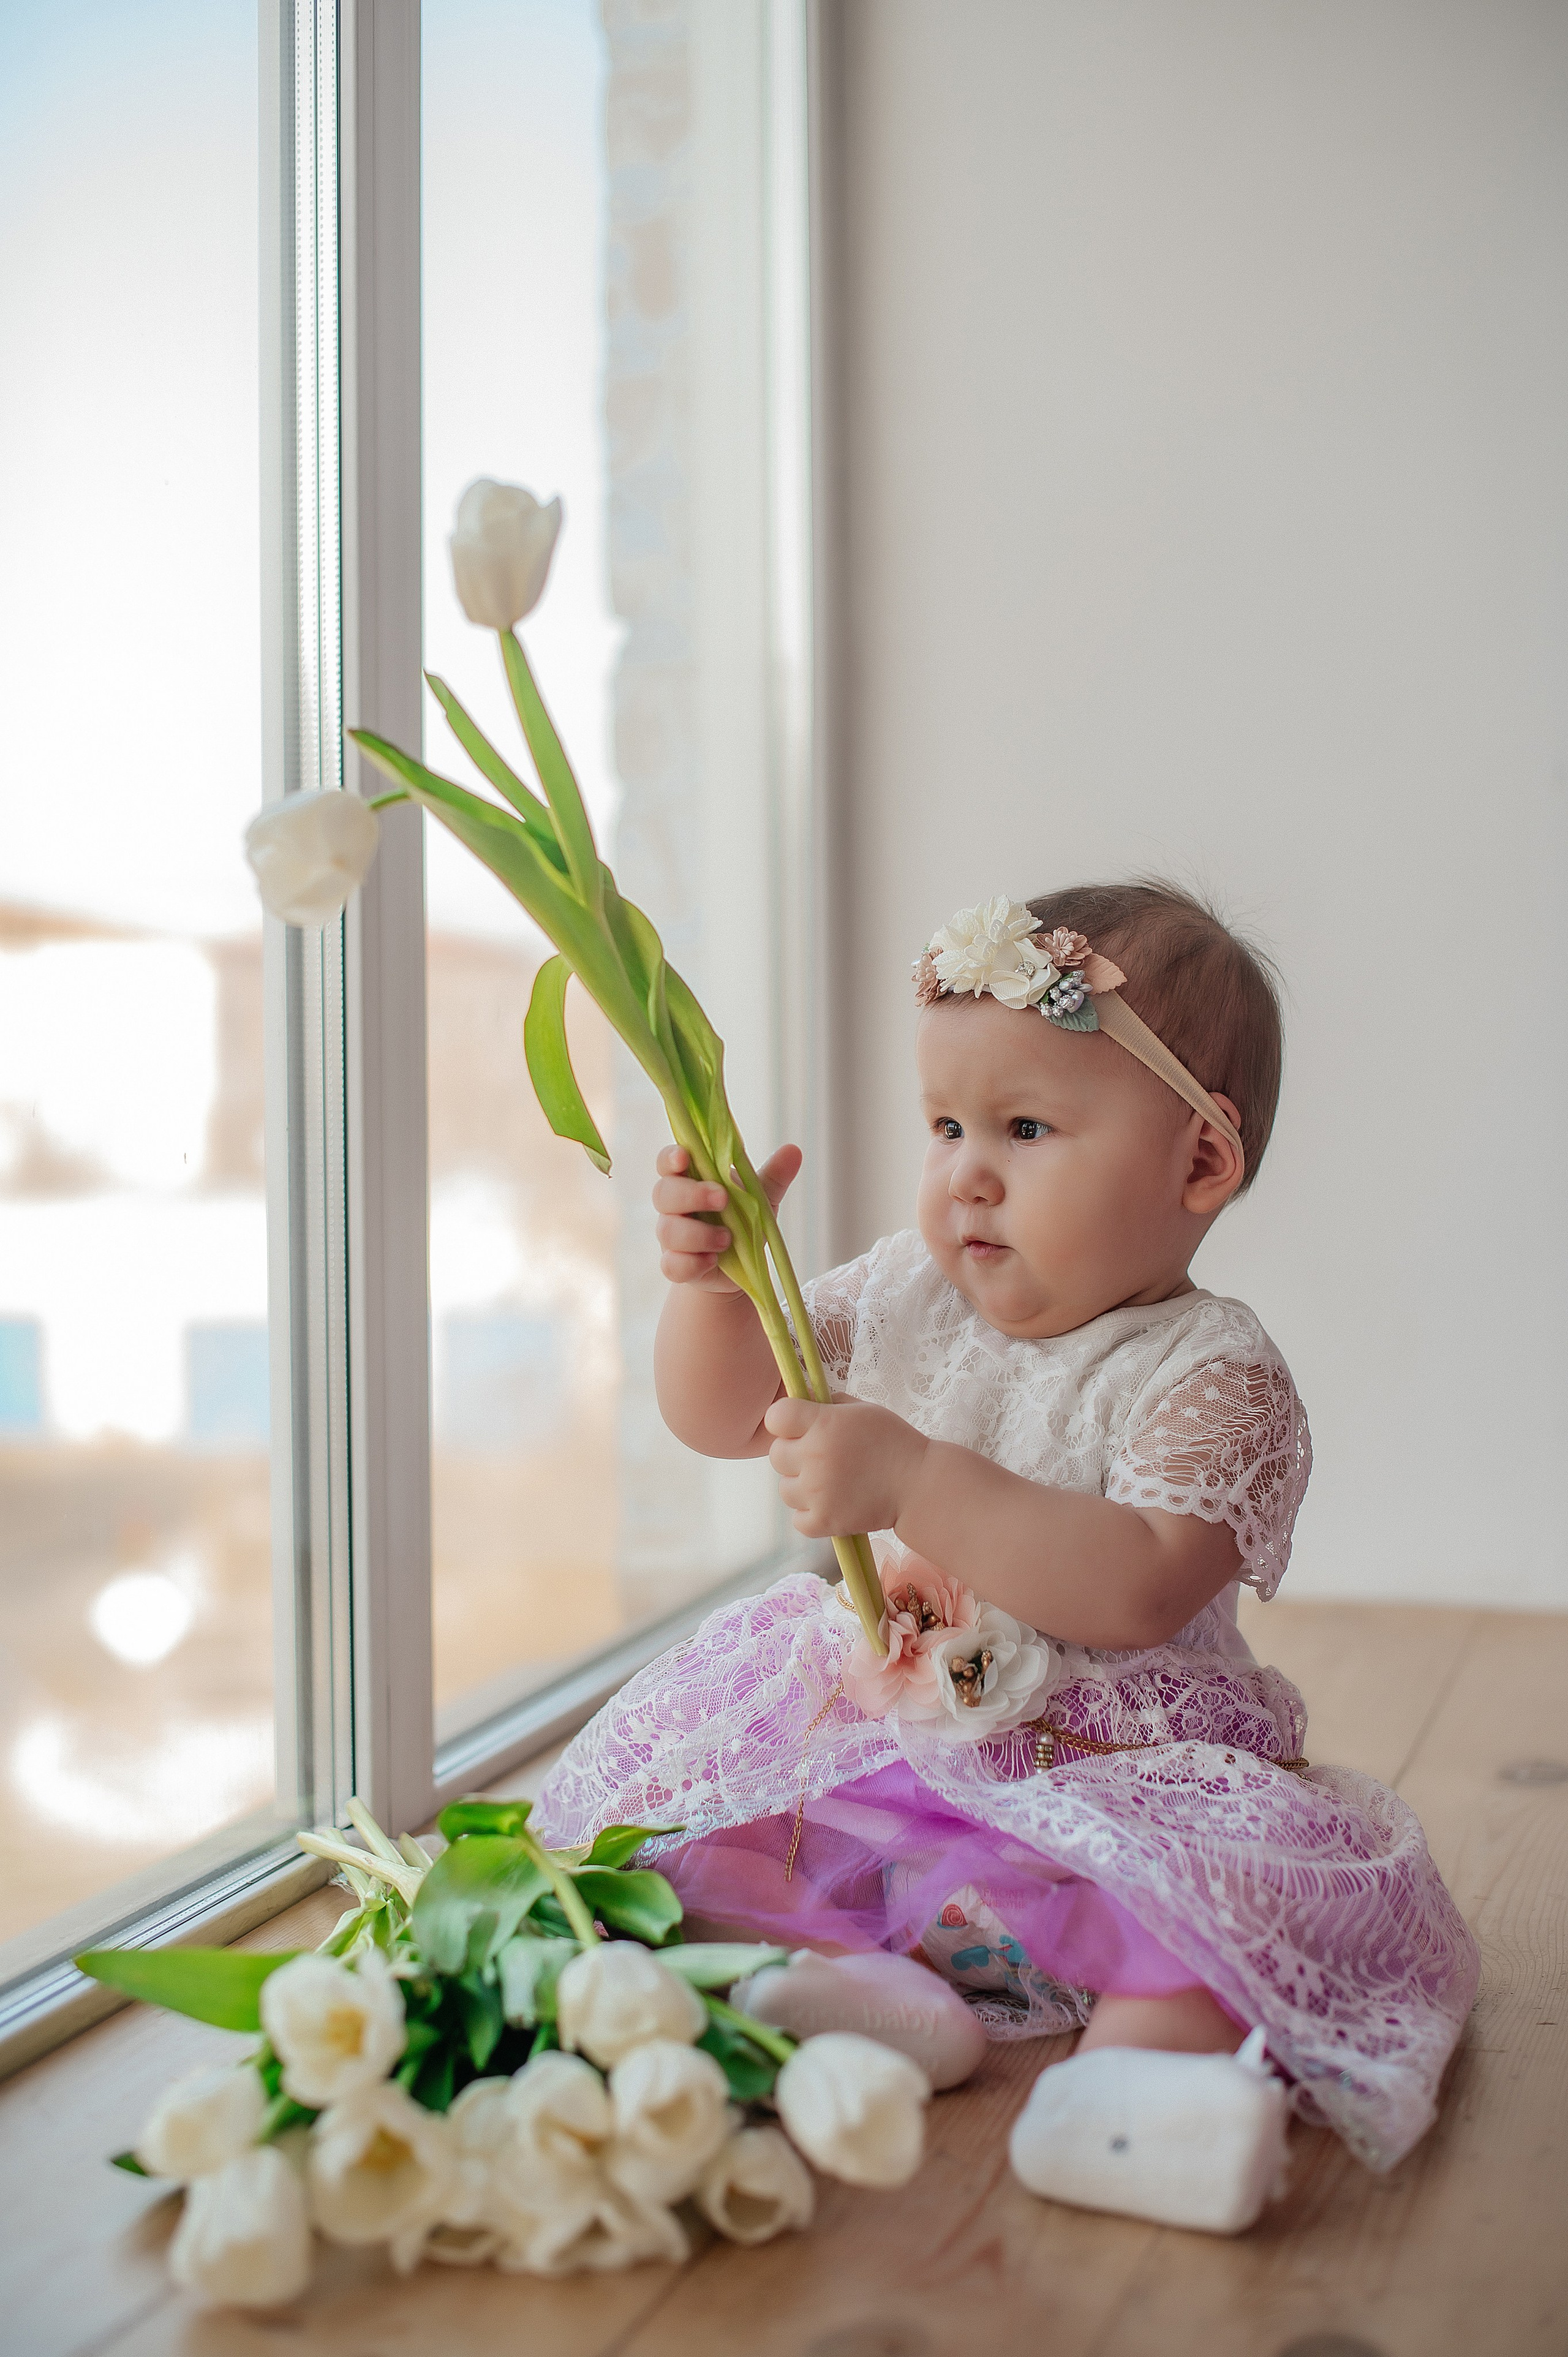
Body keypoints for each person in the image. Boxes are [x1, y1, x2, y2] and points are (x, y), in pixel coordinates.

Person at [534, 880, 1478, 2227]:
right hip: (899, 1752)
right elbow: (726, 1411)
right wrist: (711, 1286)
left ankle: (1124, 2110)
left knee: (1212, 1924)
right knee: (715, 1837)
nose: (965, 1172)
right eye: (945, 1125)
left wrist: (917, 1478)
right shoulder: (908, 1292)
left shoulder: (1211, 1372)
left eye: (1025, 1127)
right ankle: (876, 1999)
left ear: (1199, 1165)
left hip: (1120, 1777)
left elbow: (1139, 1581)